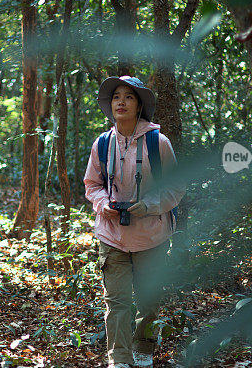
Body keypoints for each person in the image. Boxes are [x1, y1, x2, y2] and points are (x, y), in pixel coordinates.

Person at [84, 76, 184, 368]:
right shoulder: (102, 143)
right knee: (116, 302)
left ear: (139, 105)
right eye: (116, 97)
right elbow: (93, 185)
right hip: (111, 234)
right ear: (110, 105)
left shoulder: (158, 142)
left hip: (151, 235)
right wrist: (104, 205)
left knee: (148, 299)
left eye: (129, 97)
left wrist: (148, 206)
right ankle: (119, 359)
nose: (121, 102)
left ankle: (143, 350)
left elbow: (176, 187)